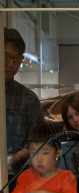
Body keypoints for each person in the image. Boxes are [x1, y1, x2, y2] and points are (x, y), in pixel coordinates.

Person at [4, 27, 44, 180]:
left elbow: (38, 141)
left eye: (17, 58)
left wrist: (12, 158)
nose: (11, 64)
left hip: (18, 178)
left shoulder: (29, 99)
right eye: (6, 56)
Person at [9, 123, 77, 193]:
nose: (39, 159)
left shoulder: (66, 177)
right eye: (34, 152)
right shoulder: (25, 176)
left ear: (58, 153)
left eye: (45, 153)